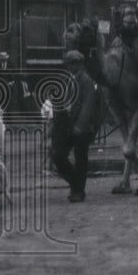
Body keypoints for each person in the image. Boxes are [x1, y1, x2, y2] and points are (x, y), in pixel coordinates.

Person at [49, 50, 99, 202]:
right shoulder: (64, 79)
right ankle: (76, 184)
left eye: (76, 63)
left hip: (81, 127)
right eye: (70, 63)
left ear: (81, 64)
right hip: (64, 125)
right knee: (58, 156)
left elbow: (87, 105)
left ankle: (78, 191)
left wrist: (79, 126)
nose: (73, 66)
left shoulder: (86, 81)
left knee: (80, 159)